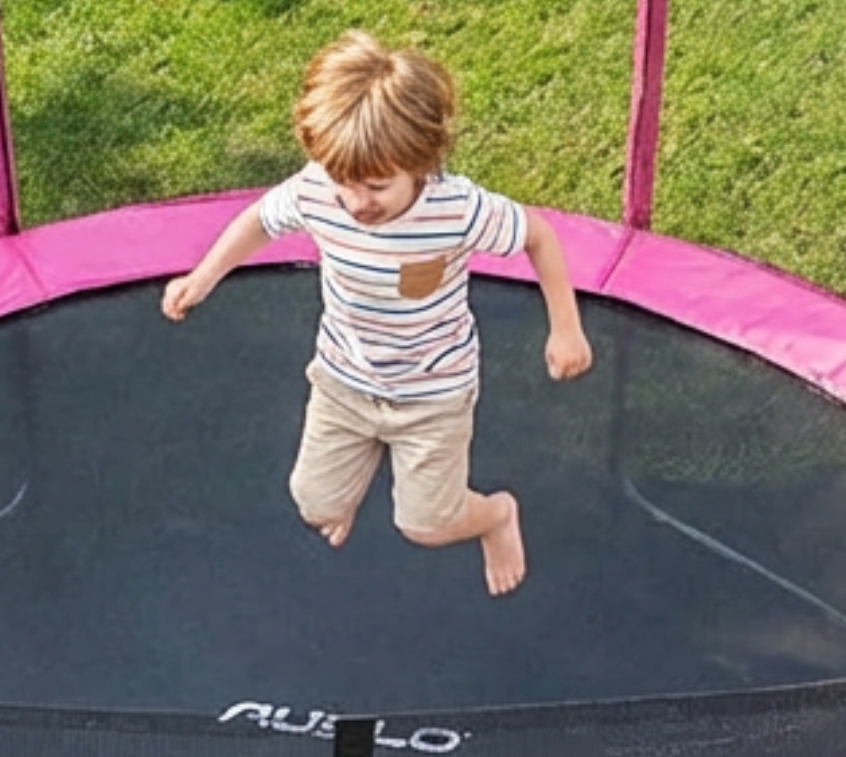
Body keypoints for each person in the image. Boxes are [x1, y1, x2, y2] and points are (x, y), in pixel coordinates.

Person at [162, 31, 591, 596]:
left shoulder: (457, 209)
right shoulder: (318, 189)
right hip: (344, 379)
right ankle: (346, 490)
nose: (358, 202)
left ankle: (496, 517)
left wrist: (565, 327)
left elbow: (538, 236)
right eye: (344, 183)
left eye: (377, 186)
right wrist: (204, 276)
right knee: (314, 504)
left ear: (421, 163)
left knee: (427, 525)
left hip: (434, 390)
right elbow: (260, 221)